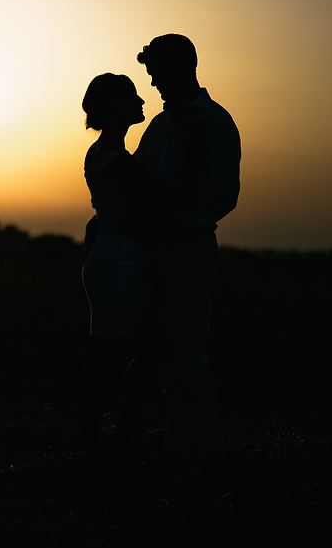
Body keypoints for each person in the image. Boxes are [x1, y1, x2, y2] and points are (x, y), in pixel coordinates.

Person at [134, 34, 241, 465]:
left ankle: (200, 455)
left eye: (159, 71)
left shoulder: (216, 122)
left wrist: (172, 226)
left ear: (185, 65)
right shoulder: (159, 126)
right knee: (157, 353)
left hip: (187, 252)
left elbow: (221, 195)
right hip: (151, 251)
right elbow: (138, 180)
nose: (155, 82)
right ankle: (176, 449)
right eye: (151, 73)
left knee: (186, 353)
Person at [75, 73, 184, 451]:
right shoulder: (119, 161)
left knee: (123, 354)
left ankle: (109, 439)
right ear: (115, 108)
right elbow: (169, 198)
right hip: (120, 263)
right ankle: (104, 442)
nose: (142, 102)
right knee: (110, 358)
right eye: (133, 97)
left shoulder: (101, 153)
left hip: (115, 258)